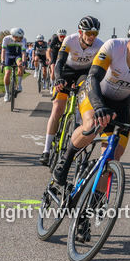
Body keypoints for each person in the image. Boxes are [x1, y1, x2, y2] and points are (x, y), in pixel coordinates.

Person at [50, 17, 130, 243]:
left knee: (113, 157)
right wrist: (98, 107)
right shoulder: (113, 47)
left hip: (121, 105)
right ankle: (64, 162)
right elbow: (93, 77)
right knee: (91, 125)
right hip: (95, 94)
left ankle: (84, 216)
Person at [39, 17, 103, 165]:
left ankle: (77, 144)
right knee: (57, 108)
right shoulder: (70, 40)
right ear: (81, 32)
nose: (92, 36)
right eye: (88, 33)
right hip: (67, 71)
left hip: (84, 73)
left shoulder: (100, 45)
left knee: (84, 108)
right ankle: (46, 150)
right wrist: (59, 78)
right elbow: (60, 61)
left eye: (95, 33)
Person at [0, 27, 26, 101]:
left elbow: (23, 53)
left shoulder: (23, 40)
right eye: (20, 37)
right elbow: (3, 51)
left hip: (17, 55)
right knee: (7, 73)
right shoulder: (6, 39)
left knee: (20, 64)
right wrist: (2, 61)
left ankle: (19, 85)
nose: (22, 38)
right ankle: (7, 93)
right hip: (8, 55)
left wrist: (24, 62)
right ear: (14, 37)